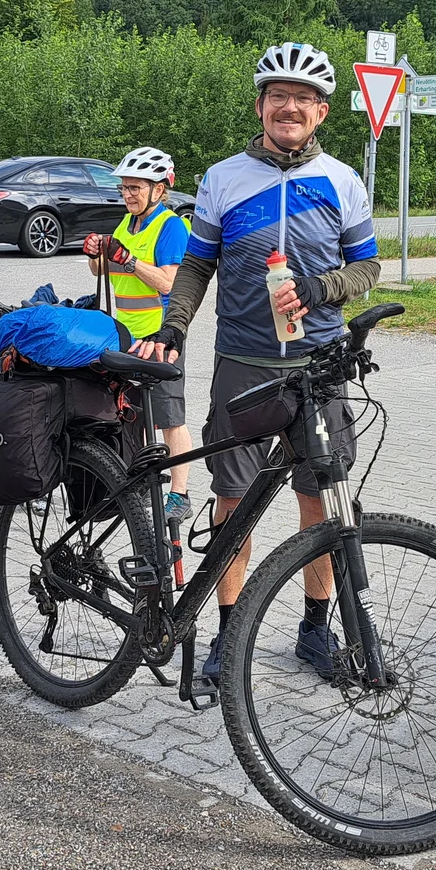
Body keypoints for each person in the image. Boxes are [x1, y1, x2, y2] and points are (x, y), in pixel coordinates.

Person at [133, 42, 381, 685]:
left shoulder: (342, 181)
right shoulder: (223, 178)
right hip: (243, 360)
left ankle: (314, 630)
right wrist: (174, 328)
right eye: (278, 97)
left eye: (302, 99)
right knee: (233, 499)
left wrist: (324, 288)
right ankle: (228, 634)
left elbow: (368, 268)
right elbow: (195, 266)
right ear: (261, 106)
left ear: (322, 113)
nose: (289, 107)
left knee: (320, 500)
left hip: (317, 365)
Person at [83, 146, 195, 523]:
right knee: (130, 414)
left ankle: (179, 494)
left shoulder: (171, 227)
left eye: (135, 188)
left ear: (159, 190)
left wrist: (126, 258)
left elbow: (169, 283)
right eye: (125, 188)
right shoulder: (125, 224)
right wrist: (96, 253)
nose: (128, 194)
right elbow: (103, 272)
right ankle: (138, 485)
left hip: (160, 338)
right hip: (126, 339)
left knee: (168, 417)